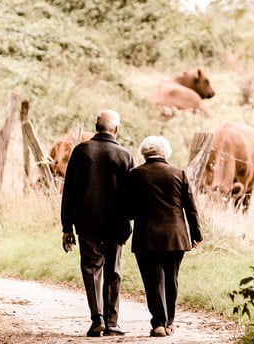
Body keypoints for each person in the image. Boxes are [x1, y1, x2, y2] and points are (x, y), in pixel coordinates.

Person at [61, 109, 135, 337]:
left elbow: (69, 191)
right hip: (116, 224)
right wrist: (130, 219)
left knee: (91, 269)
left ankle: (97, 319)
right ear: (117, 129)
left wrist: (67, 227)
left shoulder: (81, 151)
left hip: (87, 223)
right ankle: (112, 323)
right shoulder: (125, 155)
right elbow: (131, 194)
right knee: (113, 271)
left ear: (96, 127)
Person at [127, 135, 203, 338]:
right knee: (171, 279)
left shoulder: (135, 174)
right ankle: (169, 322)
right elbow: (191, 208)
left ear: (144, 152)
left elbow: (129, 209)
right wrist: (196, 234)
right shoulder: (179, 174)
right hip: (175, 236)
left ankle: (158, 323)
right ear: (166, 152)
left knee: (152, 281)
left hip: (146, 237)